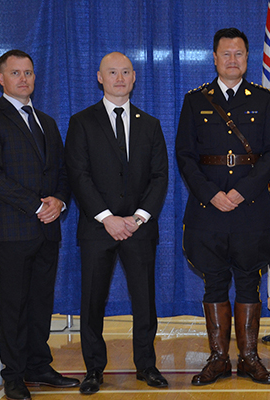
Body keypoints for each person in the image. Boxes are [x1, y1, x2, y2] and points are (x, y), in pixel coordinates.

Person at [176, 28, 270, 386]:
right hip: (208, 210)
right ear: (215, 58)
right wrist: (211, 194)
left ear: (247, 59)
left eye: (239, 54)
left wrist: (241, 192)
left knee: (250, 281)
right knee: (215, 282)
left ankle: (249, 358)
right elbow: (185, 156)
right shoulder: (196, 100)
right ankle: (219, 359)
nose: (233, 59)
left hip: (250, 207)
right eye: (226, 54)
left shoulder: (265, 100)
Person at [0, 49, 78, 400]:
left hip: (48, 228)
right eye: (15, 73)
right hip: (12, 228)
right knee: (14, 304)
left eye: (28, 73)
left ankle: (37, 365)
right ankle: (13, 373)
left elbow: (62, 172)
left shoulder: (46, 121)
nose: (23, 79)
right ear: (1, 78)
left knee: (40, 303)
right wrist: (36, 205)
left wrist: (59, 201)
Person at [65, 52, 168, 394]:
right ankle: (94, 369)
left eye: (125, 71)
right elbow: (78, 175)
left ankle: (147, 366)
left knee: (144, 302)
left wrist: (137, 218)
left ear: (134, 77)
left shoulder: (150, 124)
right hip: (98, 229)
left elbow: (159, 177)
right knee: (92, 302)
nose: (119, 78)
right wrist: (108, 218)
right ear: (100, 77)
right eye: (112, 72)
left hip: (140, 229)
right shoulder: (82, 122)